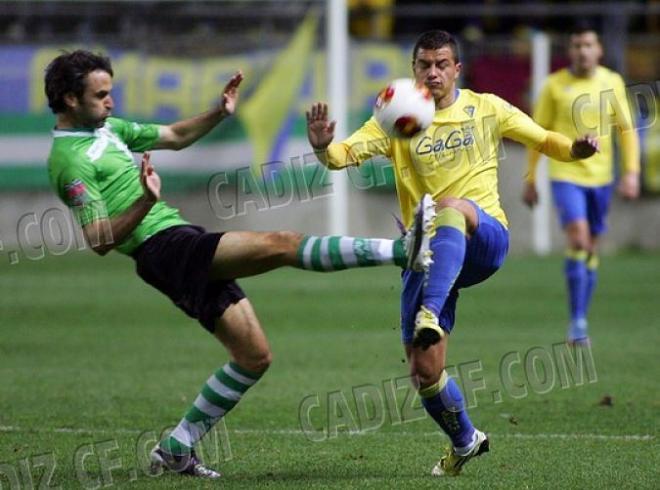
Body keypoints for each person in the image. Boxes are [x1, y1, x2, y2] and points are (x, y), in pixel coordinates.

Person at [44, 50, 427, 480]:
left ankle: (176, 447)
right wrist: (145, 200)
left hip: (176, 239)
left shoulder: (109, 128)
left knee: (253, 357)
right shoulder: (69, 161)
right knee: (281, 244)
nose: (110, 102)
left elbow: (172, 134)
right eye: (101, 95)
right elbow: (98, 239)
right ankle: (399, 251)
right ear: (70, 100)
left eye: (110, 92)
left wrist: (218, 113)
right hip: (160, 250)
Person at [306, 30, 598, 476]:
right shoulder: (396, 117)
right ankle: (464, 440)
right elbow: (342, 156)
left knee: (453, 208)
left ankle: (431, 311)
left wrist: (575, 149)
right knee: (424, 372)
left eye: (442, 64)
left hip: (485, 236)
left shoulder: (486, 109)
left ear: (457, 69)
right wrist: (323, 145)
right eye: (424, 64)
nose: (433, 72)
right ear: (414, 69)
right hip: (425, 254)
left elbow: (543, 139)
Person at [522, 23, 640, 345]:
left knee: (590, 249)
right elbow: (538, 135)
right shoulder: (553, 86)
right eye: (576, 45)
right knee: (578, 238)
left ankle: (581, 317)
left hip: (601, 178)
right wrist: (531, 178)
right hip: (566, 175)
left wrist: (631, 173)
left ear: (599, 49)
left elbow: (626, 131)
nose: (582, 51)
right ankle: (576, 322)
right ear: (569, 50)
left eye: (588, 44)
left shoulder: (612, 82)